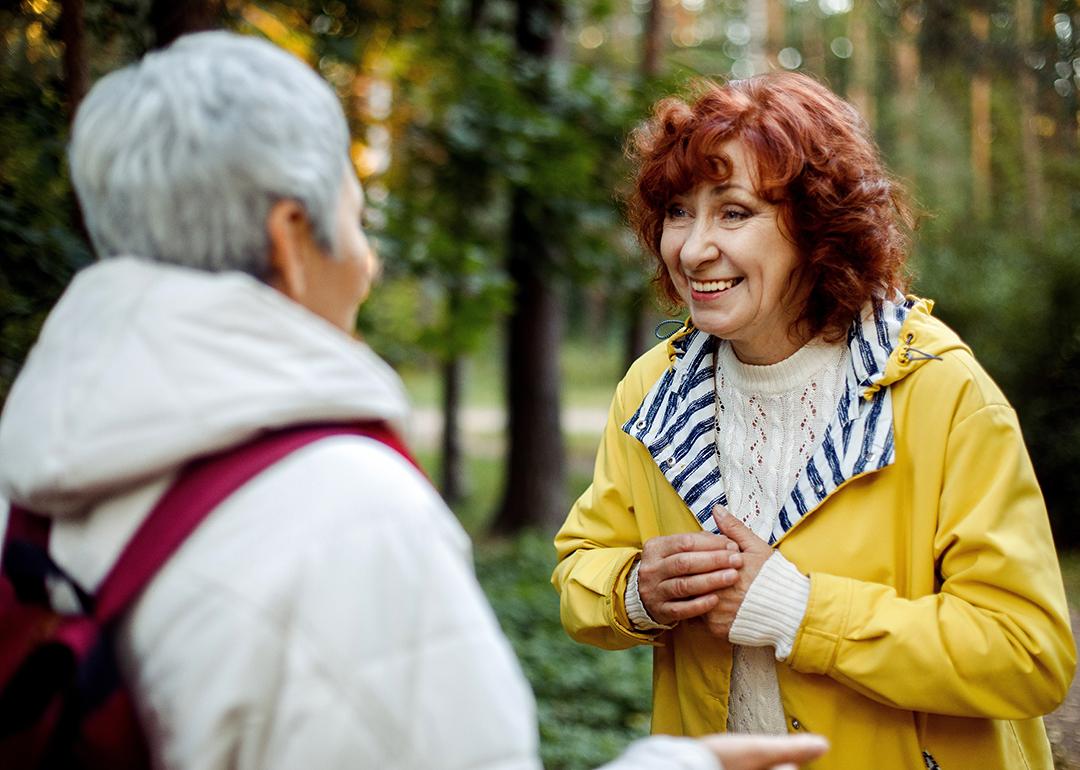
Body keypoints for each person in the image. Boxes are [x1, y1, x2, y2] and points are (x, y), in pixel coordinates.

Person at [0, 32, 830, 770]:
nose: (366, 264)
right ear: (292, 239)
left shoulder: (21, 480)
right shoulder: (348, 515)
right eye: (355, 221)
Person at [552, 71, 1077, 770]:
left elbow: (1026, 654)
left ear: (816, 224)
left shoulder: (941, 393)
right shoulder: (654, 391)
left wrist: (800, 611)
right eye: (678, 211)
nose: (692, 248)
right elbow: (579, 572)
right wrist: (634, 591)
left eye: (733, 212)